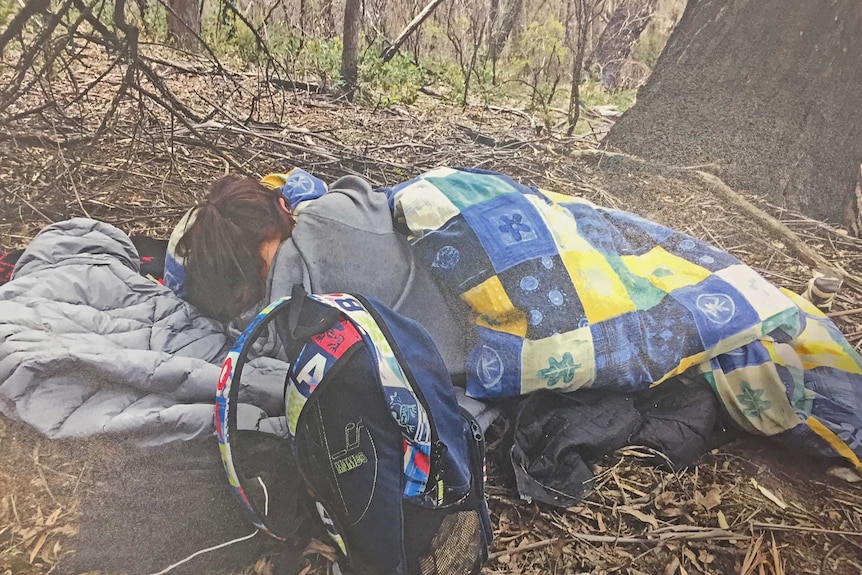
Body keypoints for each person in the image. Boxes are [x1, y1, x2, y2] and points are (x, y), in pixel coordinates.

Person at [167, 166, 862, 471]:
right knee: (649, 260)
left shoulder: (270, 333)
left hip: (476, 335)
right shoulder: (324, 220)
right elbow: (368, 198)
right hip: (500, 256)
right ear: (277, 215)